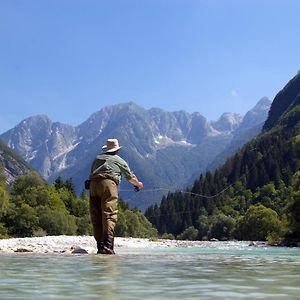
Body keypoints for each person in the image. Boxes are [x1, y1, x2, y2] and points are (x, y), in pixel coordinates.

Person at [89, 138, 143, 254]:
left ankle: (100, 247)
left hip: (93, 185)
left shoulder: (97, 159)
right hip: (108, 185)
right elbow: (130, 178)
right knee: (109, 215)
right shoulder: (119, 160)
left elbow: (92, 173)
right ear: (117, 150)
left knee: (96, 216)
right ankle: (108, 247)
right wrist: (138, 184)